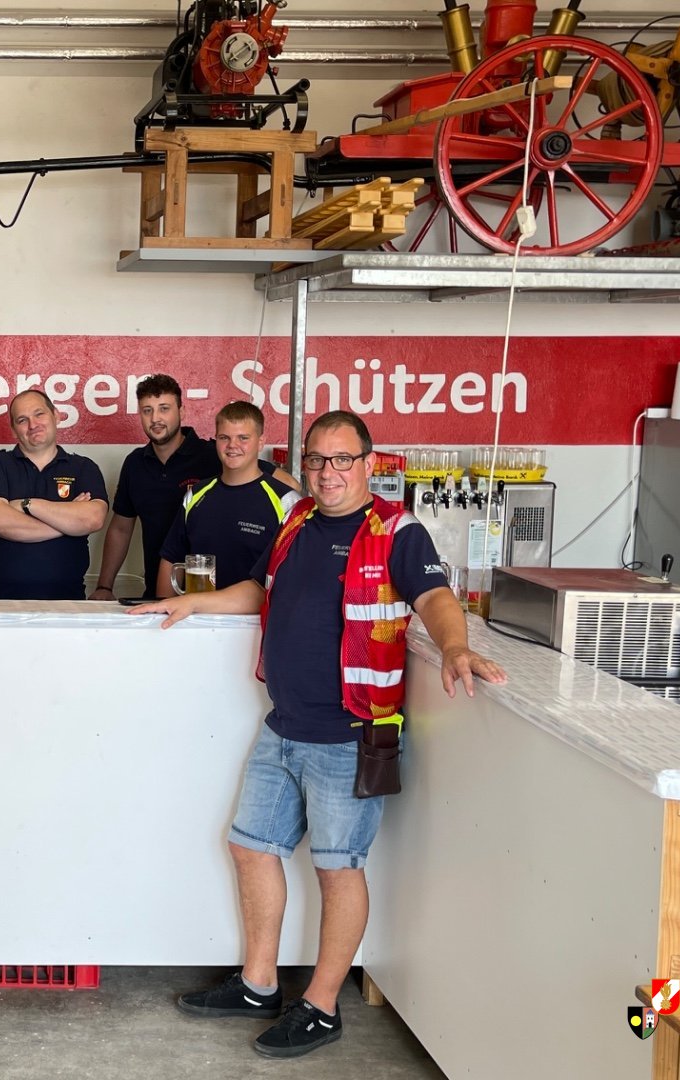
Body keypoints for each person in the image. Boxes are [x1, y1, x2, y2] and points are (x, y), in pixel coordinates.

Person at [136, 411, 505, 1060]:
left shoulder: (396, 530)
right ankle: (258, 984)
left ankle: (322, 1005)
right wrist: (194, 602)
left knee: (338, 869)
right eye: (316, 460)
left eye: (341, 460)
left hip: (350, 734)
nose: (327, 473)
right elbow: (259, 590)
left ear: (368, 464)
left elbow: (435, 598)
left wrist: (454, 647)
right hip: (284, 726)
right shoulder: (297, 521)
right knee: (251, 848)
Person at [90, 374, 218, 602]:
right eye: (147, 410)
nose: (155, 418)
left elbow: (259, 475)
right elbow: (121, 529)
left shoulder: (213, 456)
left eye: (164, 409)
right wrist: (104, 586)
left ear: (182, 411)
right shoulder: (135, 464)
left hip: (210, 598)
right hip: (157, 596)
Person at [0, 389, 110, 600]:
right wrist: (68, 526)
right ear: (13, 430)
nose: (33, 424)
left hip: (68, 603)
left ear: (56, 416)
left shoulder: (83, 468)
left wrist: (27, 504)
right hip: (1, 603)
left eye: (39, 414)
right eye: (22, 420)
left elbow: (93, 519)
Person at [156, 400, 298, 598]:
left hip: (258, 617)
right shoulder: (196, 494)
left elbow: (297, 576)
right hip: (198, 615)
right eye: (224, 437)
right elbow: (171, 559)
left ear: (261, 442)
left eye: (243, 438)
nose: (232, 445)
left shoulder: (286, 501)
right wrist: (161, 610)